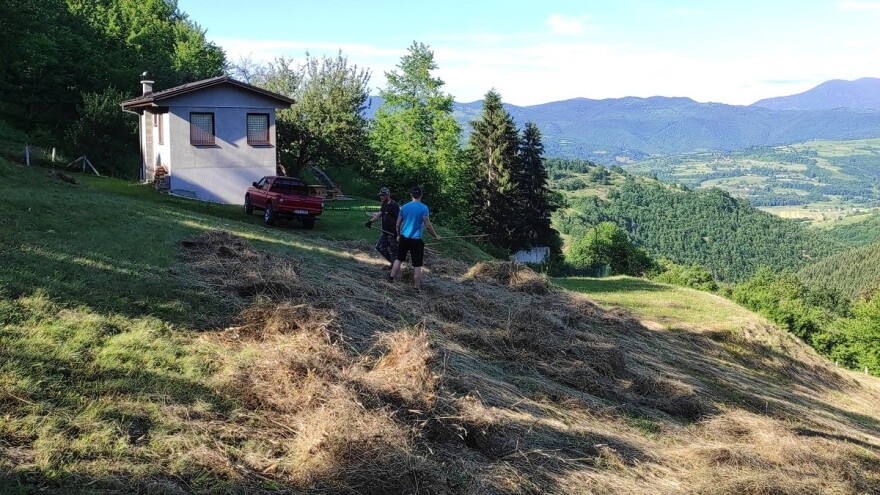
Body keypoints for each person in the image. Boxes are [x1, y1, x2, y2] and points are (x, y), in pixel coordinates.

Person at [389, 186, 441, 289]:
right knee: (417, 265)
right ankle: (416, 287)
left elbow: (398, 224)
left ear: (411, 195)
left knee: (399, 259)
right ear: (421, 195)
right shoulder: (424, 208)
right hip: (416, 240)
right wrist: (436, 235)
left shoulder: (404, 207)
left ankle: (391, 278)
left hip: (404, 238)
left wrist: (399, 235)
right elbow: (428, 226)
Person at [365, 187, 399, 269]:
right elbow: (379, 214)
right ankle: (393, 264)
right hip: (385, 232)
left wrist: (398, 233)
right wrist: (370, 222)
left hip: (393, 233)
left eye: (383, 195)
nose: (381, 197)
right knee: (380, 247)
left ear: (388, 195)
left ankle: (395, 268)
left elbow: (399, 219)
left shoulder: (394, 205)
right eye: (380, 195)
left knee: (393, 250)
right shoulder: (384, 204)